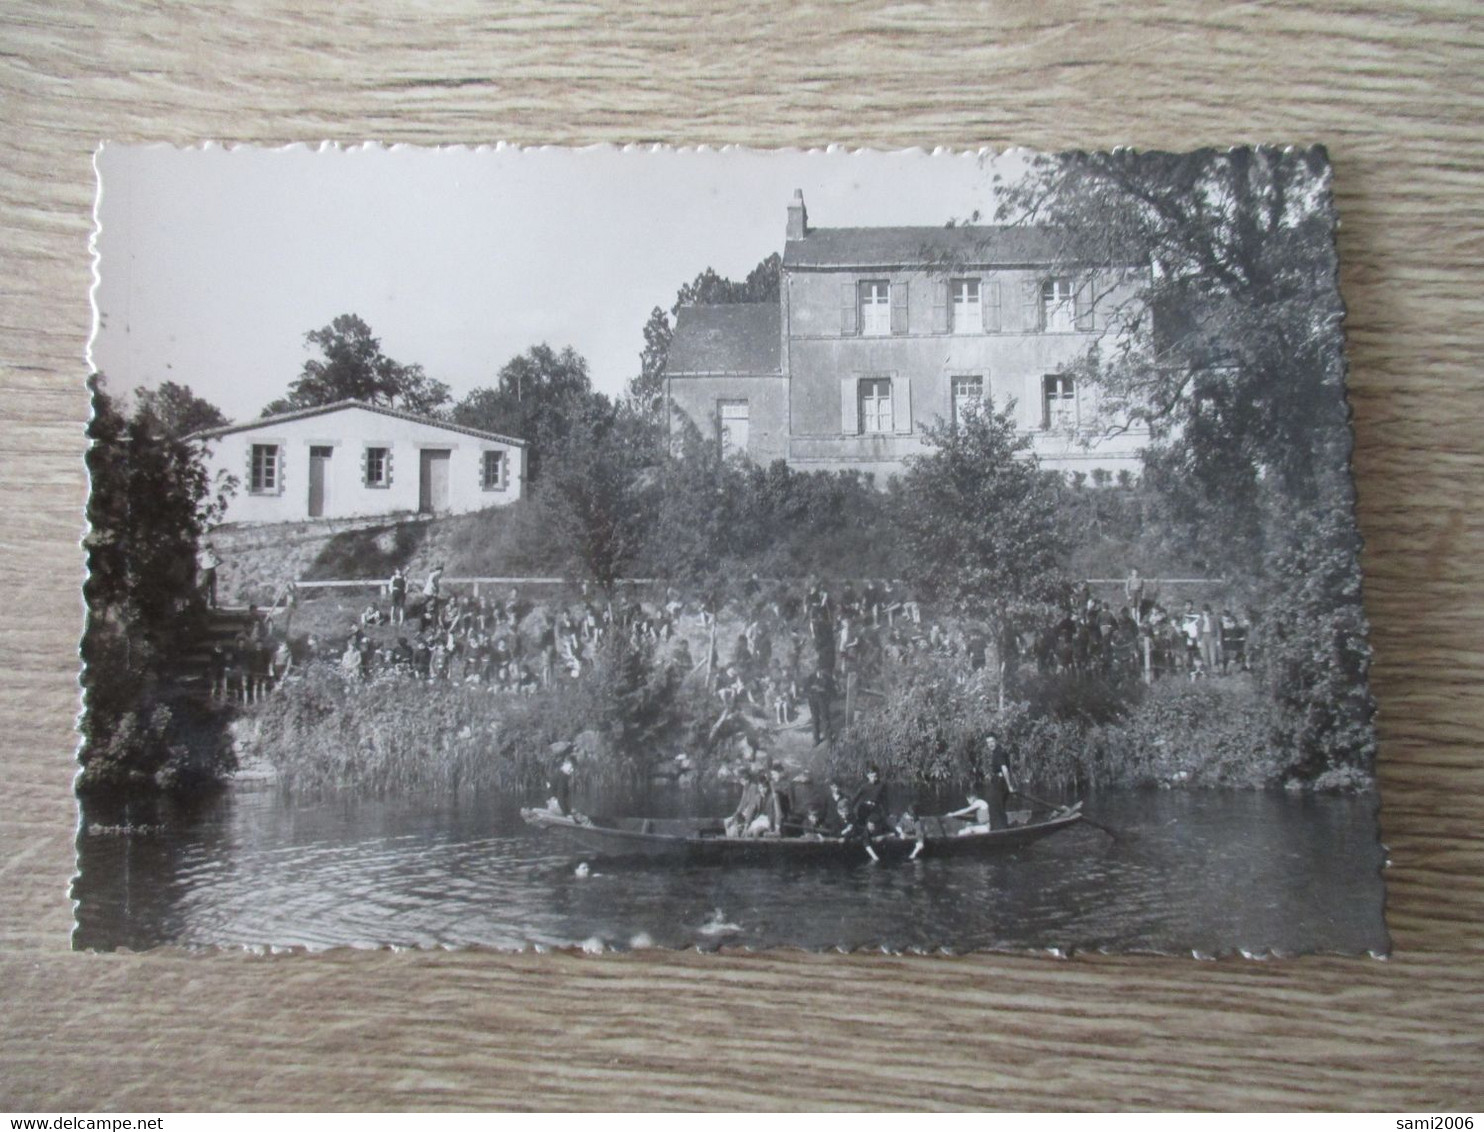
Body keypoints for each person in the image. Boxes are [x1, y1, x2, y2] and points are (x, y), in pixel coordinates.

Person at [725, 770, 768, 838]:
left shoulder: (753, 787)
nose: (743, 783)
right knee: (728, 822)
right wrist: (735, 814)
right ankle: (730, 841)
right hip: (745, 813)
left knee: (738, 827)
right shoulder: (745, 788)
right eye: (741, 781)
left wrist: (745, 819)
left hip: (751, 815)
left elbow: (752, 806)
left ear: (748, 780)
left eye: (744, 781)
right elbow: (742, 803)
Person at [197, 542, 221, 609]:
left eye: (211, 548)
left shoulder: (213, 555)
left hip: (212, 571)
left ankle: (213, 604)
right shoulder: (203, 554)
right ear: (207, 548)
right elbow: (196, 558)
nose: (211, 550)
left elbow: (221, 560)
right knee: (205, 588)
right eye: (209, 548)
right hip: (206, 571)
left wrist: (215, 565)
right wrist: (200, 565)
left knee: (213, 589)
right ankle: (204, 604)